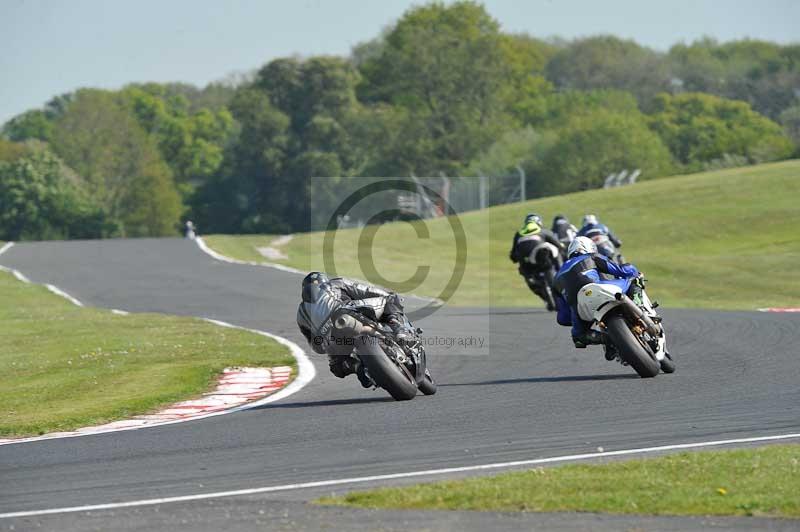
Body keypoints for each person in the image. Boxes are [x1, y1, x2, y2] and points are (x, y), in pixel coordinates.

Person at [296, 272, 413, 386]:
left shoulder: (300, 314)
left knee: (337, 367)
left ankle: (359, 368)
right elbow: (366, 290)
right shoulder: (334, 283)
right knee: (390, 299)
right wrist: (388, 295)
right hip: (346, 313)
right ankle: (399, 329)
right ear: (324, 280)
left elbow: (317, 347)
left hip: (331, 337)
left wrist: (327, 342)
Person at [554, 236, 640, 349]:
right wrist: (633, 270)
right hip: (598, 289)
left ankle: (609, 340)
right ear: (588, 248)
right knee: (633, 280)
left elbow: (563, 318)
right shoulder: (591, 257)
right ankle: (638, 306)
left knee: (579, 337)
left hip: (580, 308)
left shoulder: (556, 277)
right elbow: (621, 270)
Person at [509, 213, 565, 310]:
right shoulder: (544, 231)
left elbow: (513, 255)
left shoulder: (518, 234)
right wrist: (562, 247)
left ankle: (545, 296)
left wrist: (516, 258)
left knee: (530, 281)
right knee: (552, 250)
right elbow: (558, 244)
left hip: (526, 265)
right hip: (543, 260)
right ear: (539, 222)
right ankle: (561, 272)